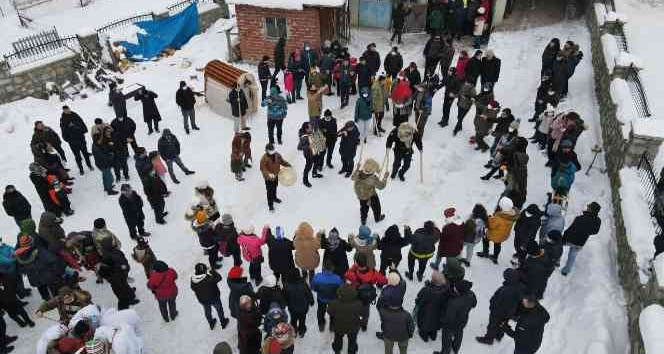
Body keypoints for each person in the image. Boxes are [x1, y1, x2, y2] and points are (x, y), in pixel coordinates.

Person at [476, 268, 525, 345]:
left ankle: (489, 339)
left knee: (492, 325)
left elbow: (497, 302)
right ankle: (499, 335)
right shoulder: (520, 287)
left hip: (498, 312)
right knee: (503, 323)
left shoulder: (505, 290)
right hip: (510, 312)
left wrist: (492, 307)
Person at [97, 237, 139, 309]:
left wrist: (125, 269)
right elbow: (103, 271)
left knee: (125, 286)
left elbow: (123, 261)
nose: (114, 242)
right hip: (115, 278)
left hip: (121, 275)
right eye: (112, 241)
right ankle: (123, 306)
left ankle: (131, 297)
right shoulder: (106, 256)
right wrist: (111, 277)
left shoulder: (116, 252)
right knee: (120, 292)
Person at [561, 202, 601, 275]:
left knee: (559, 248)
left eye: (589, 207)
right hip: (580, 242)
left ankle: (556, 262)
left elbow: (571, 229)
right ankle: (565, 271)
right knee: (572, 256)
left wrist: (564, 237)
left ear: (590, 209)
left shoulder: (579, 219)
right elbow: (595, 232)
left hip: (570, 239)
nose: (587, 207)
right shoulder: (597, 221)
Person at [477, 197, 518, 264]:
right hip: (503, 234)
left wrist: (490, 218)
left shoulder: (499, 217)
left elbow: (491, 225)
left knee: (485, 239)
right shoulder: (512, 215)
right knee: (497, 244)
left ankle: (485, 252)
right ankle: (495, 257)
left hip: (494, 234)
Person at [191, 263, 230, 330]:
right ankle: (223, 322)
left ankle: (211, 323)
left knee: (207, 312)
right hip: (214, 297)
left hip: (203, 300)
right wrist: (213, 271)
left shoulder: (193, 279)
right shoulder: (209, 279)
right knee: (219, 309)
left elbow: (193, 288)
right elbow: (219, 278)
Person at [327, 284, 363, 354]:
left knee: (338, 338)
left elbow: (329, 312)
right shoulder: (358, 303)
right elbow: (363, 314)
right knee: (352, 340)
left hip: (339, 326)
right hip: (353, 327)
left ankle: (337, 349)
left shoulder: (334, 303)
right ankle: (351, 351)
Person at [352, 159, 388, 225]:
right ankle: (377, 218)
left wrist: (357, 168)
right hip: (371, 195)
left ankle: (363, 220)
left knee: (363, 208)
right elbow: (381, 186)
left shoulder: (359, 173)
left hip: (361, 195)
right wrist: (385, 178)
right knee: (376, 207)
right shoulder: (373, 179)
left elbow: (352, 178)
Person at [414, 271, 448, 342]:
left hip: (427, 313)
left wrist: (428, 286)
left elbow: (419, 300)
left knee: (425, 324)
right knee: (435, 325)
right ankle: (433, 336)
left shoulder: (427, 290)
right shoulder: (446, 290)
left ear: (433, 280)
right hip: (439, 314)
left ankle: (424, 336)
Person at [60, 106, 93, 175]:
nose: (67, 111)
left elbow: (82, 123)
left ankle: (89, 165)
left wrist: (82, 129)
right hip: (72, 142)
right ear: (63, 111)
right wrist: (67, 139)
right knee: (77, 156)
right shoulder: (63, 119)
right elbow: (63, 130)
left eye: (67, 109)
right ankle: (81, 169)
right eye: (65, 110)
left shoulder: (75, 115)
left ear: (69, 109)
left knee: (85, 154)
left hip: (81, 138)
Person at [312, 260, 343, 331]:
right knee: (333, 312)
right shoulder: (337, 278)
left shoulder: (317, 277)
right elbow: (340, 290)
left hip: (321, 298)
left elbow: (313, 287)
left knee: (320, 311)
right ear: (332, 268)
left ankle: (321, 324)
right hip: (333, 299)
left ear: (323, 267)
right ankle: (332, 325)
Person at [260, 144, 291, 211]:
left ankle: (274, 198)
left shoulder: (277, 155)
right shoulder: (264, 158)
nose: (273, 151)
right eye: (271, 150)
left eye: (273, 149)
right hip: (268, 178)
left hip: (276, 175)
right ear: (267, 151)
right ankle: (270, 204)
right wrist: (269, 174)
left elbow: (282, 161)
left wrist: (288, 165)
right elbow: (263, 168)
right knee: (269, 191)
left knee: (275, 187)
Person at [283, 270, 315, 337]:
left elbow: (284, 297)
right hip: (303, 307)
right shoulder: (303, 283)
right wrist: (311, 301)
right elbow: (308, 293)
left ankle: (293, 331)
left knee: (293, 320)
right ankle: (301, 331)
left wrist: (286, 304)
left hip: (292, 308)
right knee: (302, 320)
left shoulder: (286, 285)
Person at [91, 130, 119, 195]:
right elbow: (103, 156)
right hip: (103, 164)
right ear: (97, 139)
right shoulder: (96, 147)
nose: (101, 139)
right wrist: (110, 156)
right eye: (100, 139)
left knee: (105, 176)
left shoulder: (97, 144)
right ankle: (110, 191)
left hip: (101, 164)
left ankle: (106, 187)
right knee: (110, 178)